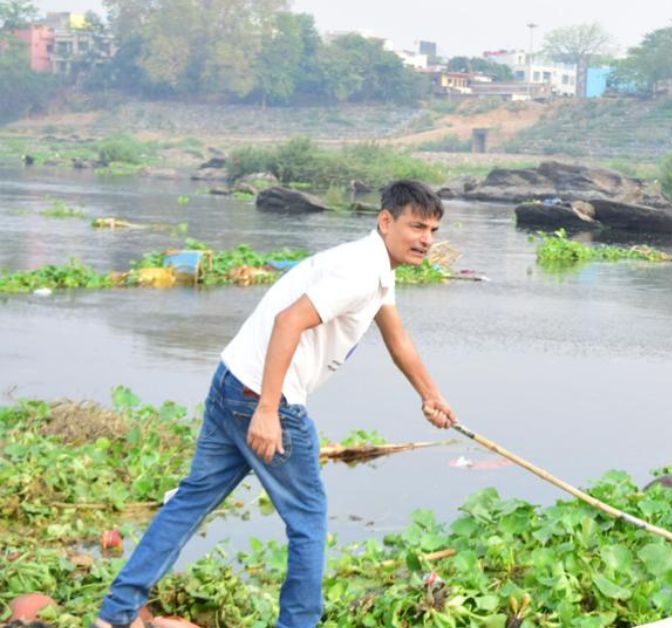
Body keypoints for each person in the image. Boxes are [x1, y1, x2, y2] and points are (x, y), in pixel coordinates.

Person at [94, 180, 457, 628]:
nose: (426, 239)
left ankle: (114, 615)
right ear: (386, 222)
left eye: (433, 230)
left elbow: (397, 337)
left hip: (231, 381)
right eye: (416, 226)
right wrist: (268, 410)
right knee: (308, 520)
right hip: (265, 398)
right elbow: (289, 323)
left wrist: (431, 395)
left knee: (190, 501)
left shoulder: (375, 268)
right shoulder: (360, 272)